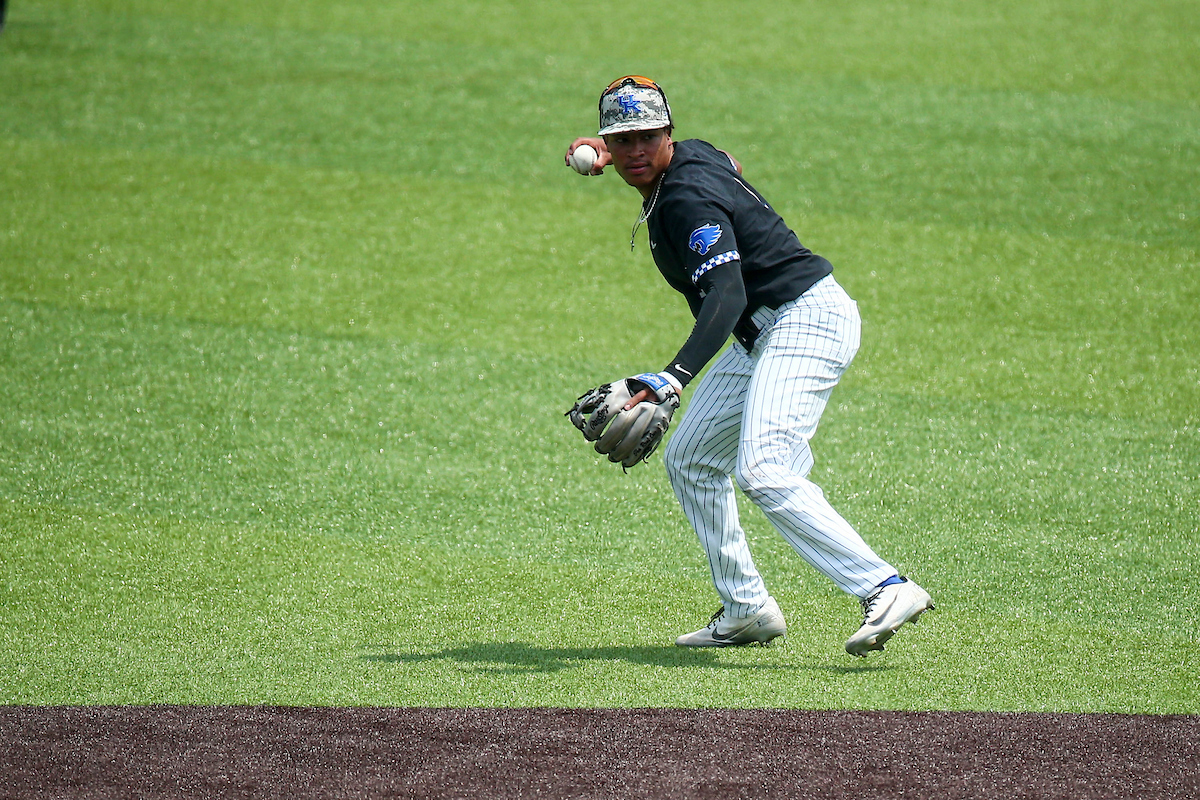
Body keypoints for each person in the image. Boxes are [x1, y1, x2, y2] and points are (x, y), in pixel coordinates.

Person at [565, 76, 934, 656]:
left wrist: (670, 378)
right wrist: (606, 149)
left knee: (764, 469)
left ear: (669, 134)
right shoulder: (697, 154)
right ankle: (747, 609)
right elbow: (726, 161)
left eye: (647, 137)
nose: (635, 152)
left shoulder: (685, 200)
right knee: (692, 458)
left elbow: (728, 296)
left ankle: (885, 586)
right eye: (622, 140)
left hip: (803, 321)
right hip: (761, 334)